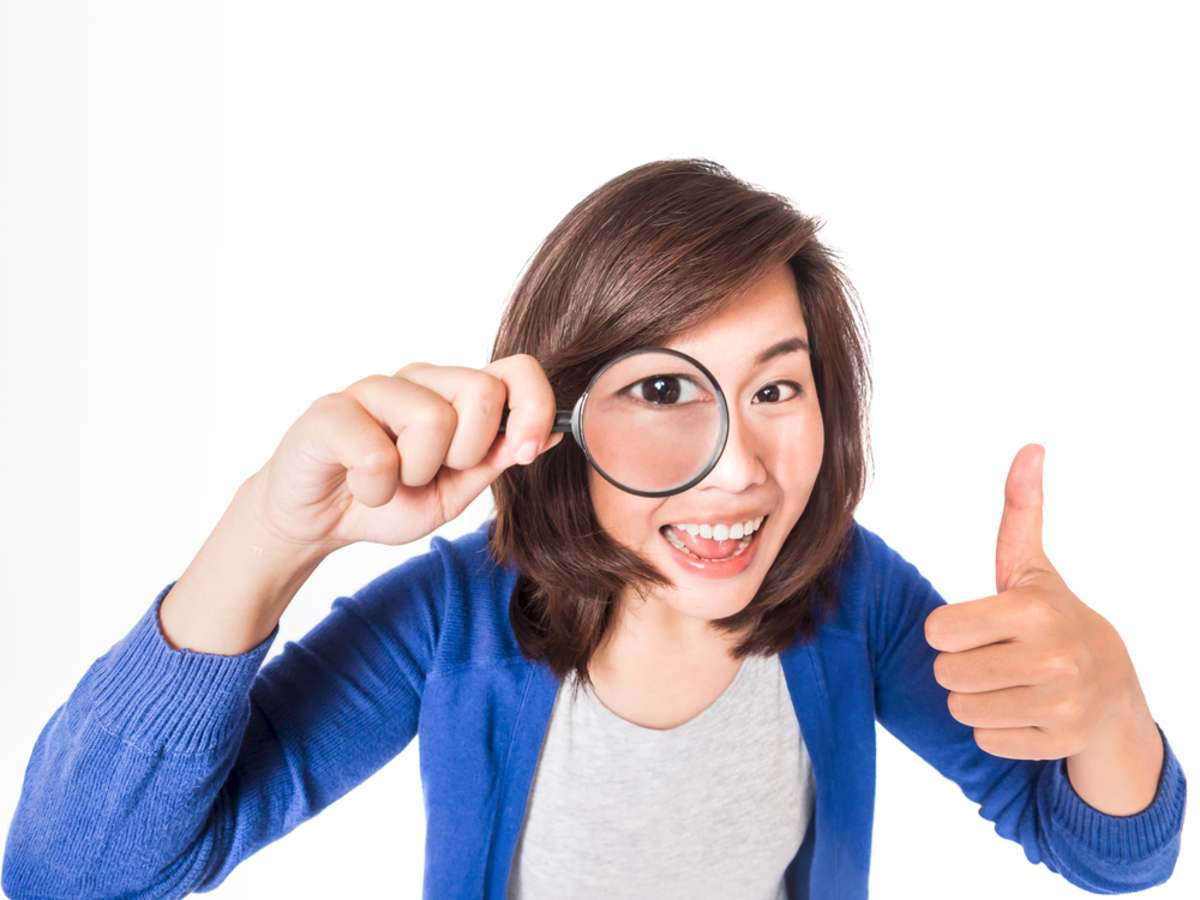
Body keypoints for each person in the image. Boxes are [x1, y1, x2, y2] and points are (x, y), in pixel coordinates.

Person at [1, 159, 1186, 898]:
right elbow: (76, 875)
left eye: (778, 388)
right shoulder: (455, 618)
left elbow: (1109, 854)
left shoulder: (850, 595)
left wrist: (1114, 705)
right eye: (665, 391)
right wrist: (267, 536)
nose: (735, 469)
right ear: (561, 418)